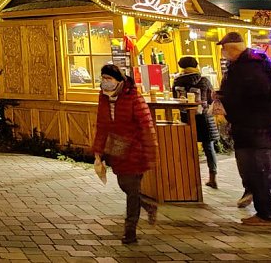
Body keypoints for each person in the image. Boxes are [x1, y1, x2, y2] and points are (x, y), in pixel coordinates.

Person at [217, 31, 271, 225]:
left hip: (259, 129)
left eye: (224, 49)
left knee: (265, 172)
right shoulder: (240, 66)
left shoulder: (253, 66)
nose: (223, 53)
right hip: (246, 128)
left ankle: (266, 214)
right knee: (261, 172)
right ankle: (266, 212)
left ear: (231, 48)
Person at [92, 64, 158, 244]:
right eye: (103, 78)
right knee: (126, 186)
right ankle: (147, 204)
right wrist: (98, 150)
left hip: (135, 148)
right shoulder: (104, 98)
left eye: (109, 79)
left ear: (119, 81)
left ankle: (130, 231)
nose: (105, 82)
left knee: (131, 189)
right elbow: (102, 125)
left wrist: (151, 149)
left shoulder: (133, 97)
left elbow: (146, 125)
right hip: (116, 148)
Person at [173, 56, 220, 188]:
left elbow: (174, 99)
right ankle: (213, 177)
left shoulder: (177, 81)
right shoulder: (204, 80)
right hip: (204, 117)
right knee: (208, 147)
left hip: (186, 116)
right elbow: (212, 99)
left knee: (188, 148)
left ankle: (190, 178)